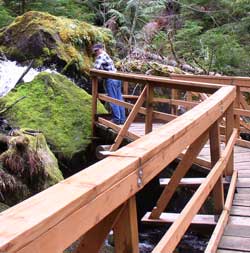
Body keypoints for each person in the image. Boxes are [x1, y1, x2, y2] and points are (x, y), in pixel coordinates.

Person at [92, 43, 126, 125]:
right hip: (117, 78)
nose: (96, 52)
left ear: (101, 49)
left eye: (97, 50)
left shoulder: (101, 56)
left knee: (113, 100)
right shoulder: (106, 55)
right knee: (119, 99)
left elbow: (96, 68)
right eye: (95, 51)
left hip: (111, 80)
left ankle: (117, 119)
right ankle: (122, 119)